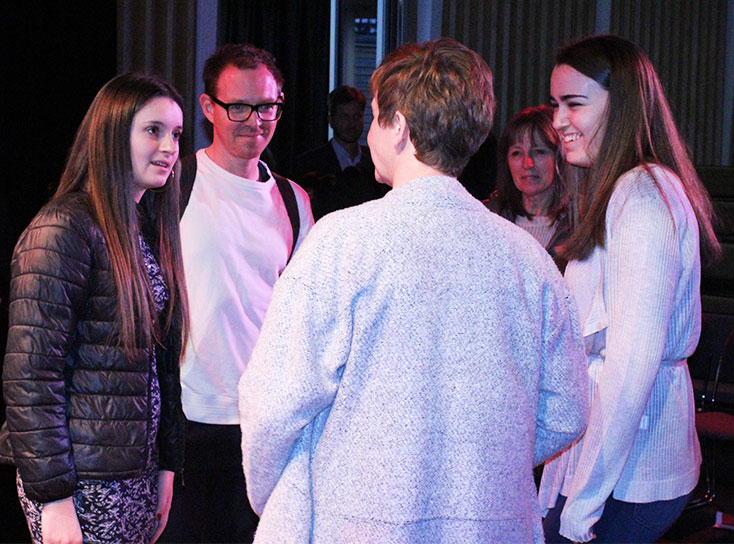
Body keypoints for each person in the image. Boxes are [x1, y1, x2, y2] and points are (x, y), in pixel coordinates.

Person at [239, 37, 589, 543]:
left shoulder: (343, 242)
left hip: (359, 524)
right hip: (491, 525)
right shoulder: (527, 260)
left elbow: (273, 404)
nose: (368, 131)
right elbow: (566, 410)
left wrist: (275, 494)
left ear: (398, 129)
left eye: (376, 115)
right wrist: (478, 468)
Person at [539, 35, 722, 544]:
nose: (557, 121)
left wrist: (584, 504)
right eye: (556, 104)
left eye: (574, 104)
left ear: (621, 108)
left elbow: (630, 369)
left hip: (634, 467)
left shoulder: (643, 197)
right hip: (613, 456)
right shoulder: (623, 189)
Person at [0, 73, 189, 544]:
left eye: (176, 135)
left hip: (133, 475)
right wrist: (56, 500)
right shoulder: (63, 228)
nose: (169, 147)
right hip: (80, 483)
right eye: (153, 131)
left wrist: (167, 465)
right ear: (111, 134)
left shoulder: (143, 227)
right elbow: (30, 377)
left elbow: (160, 366)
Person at [161, 44, 314, 543]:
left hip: (264, 424)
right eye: (239, 107)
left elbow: (306, 315)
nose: (255, 120)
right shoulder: (173, 184)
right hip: (187, 417)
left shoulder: (294, 200)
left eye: (268, 106)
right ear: (208, 108)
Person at [485, 105, 570, 272]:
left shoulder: (581, 225)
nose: (527, 164)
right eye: (517, 153)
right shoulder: (487, 218)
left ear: (560, 157)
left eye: (539, 152)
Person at [293, 85, 388, 220]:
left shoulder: (377, 161)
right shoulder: (308, 164)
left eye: (357, 116)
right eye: (345, 116)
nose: (352, 123)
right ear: (331, 120)